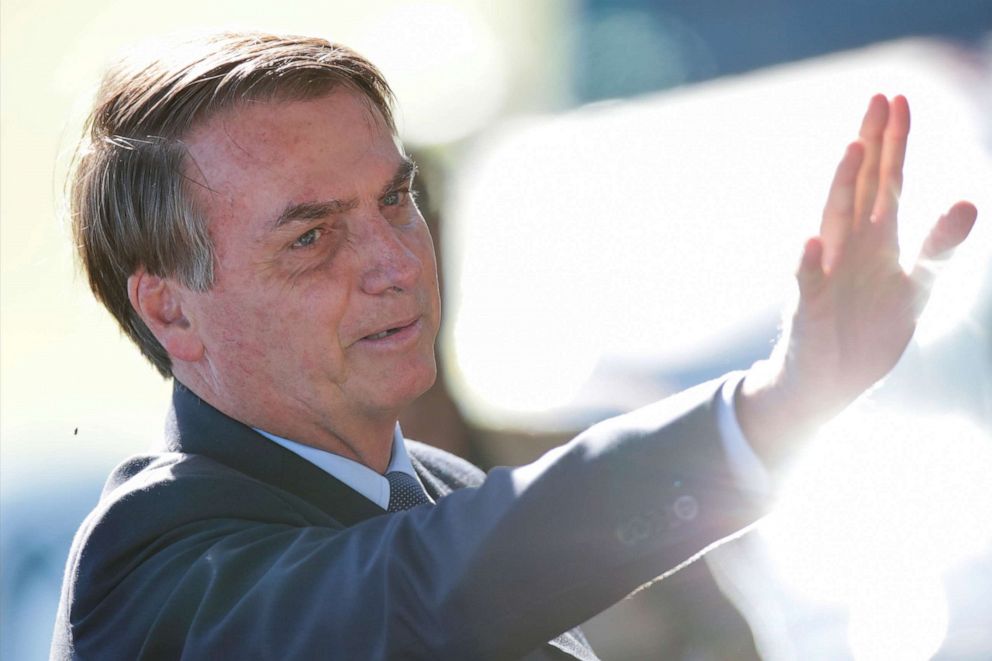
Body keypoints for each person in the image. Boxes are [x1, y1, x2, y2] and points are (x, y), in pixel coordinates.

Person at [52, 31, 977, 660]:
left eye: (396, 199)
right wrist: (776, 407)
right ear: (171, 312)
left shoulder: (451, 489)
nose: (395, 261)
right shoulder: (150, 564)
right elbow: (421, 585)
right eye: (311, 237)